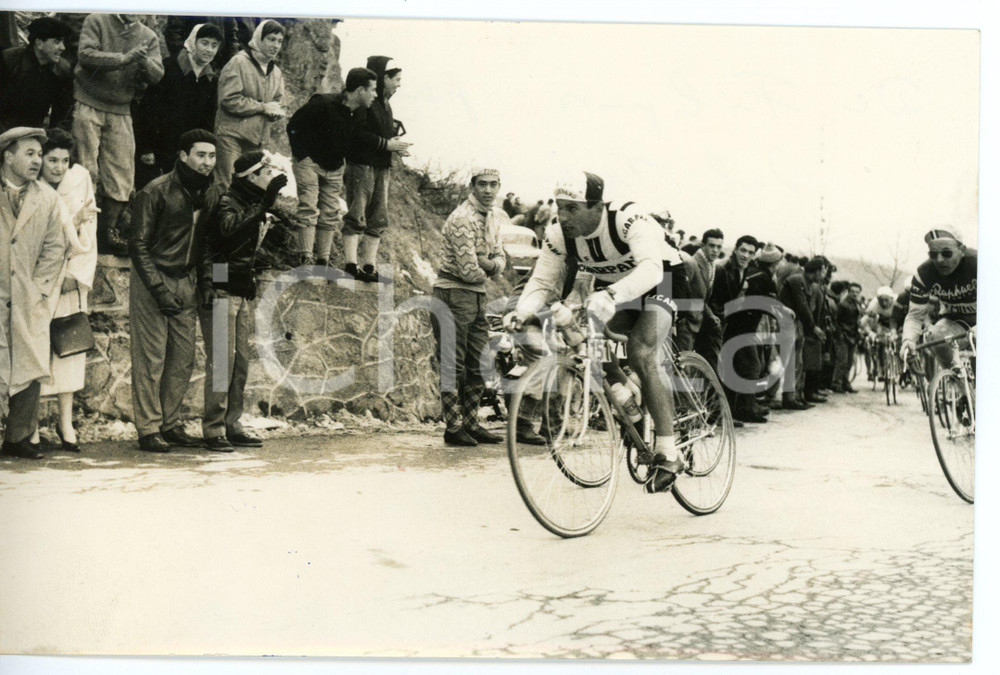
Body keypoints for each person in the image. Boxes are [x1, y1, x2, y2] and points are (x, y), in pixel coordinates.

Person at [511, 171, 688, 492]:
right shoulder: (559, 233)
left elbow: (650, 268)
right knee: (587, 342)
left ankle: (668, 451)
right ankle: (630, 407)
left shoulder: (627, 220)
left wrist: (610, 296)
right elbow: (541, 281)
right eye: (560, 207)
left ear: (597, 207)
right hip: (617, 288)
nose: (563, 217)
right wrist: (520, 312)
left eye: (572, 209)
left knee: (641, 350)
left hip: (663, 278)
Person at [129, 129, 221, 453]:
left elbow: (206, 244)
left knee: (183, 359)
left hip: (186, 281)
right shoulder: (156, 190)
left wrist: (207, 283)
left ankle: (171, 423)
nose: (207, 162)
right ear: (183, 155)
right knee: (150, 357)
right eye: (200, 155)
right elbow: (137, 244)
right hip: (152, 277)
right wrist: (157, 289)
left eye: (212, 156)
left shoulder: (209, 193)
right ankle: (149, 428)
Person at [200, 150, 287, 451]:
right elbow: (227, 233)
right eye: (265, 174)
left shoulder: (250, 203)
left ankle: (231, 422)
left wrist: (271, 216)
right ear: (250, 176)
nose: (270, 179)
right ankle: (213, 428)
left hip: (240, 288)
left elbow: (261, 247)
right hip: (222, 286)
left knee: (240, 364)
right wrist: (263, 206)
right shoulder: (228, 202)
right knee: (222, 363)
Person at [287, 67, 409, 268]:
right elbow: (293, 125)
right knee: (309, 207)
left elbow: (356, 138)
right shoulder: (323, 103)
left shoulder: (361, 112)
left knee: (330, 212)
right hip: (309, 163)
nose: (375, 94)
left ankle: (322, 260)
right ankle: (305, 257)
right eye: (372, 90)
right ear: (360, 90)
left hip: (334, 166)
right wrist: (302, 157)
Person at [24, 129, 98, 452]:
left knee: (69, 350)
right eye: (51, 160)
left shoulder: (80, 179)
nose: (58, 167)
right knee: (36, 351)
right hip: (39, 282)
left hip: (69, 279)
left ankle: (65, 421)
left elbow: (89, 228)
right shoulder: (30, 187)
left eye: (64, 161)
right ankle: (32, 424)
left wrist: (76, 274)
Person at [72, 12, 164, 256]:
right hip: (88, 102)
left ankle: (108, 231)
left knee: (122, 171)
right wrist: (123, 58)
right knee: (85, 168)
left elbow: (158, 74)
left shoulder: (148, 35)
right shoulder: (97, 20)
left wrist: (144, 64)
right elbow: (86, 55)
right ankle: (81, 227)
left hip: (121, 109)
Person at [0, 127, 67, 460]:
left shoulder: (48, 198)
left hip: (28, 294)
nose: (37, 161)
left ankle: (19, 437)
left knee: (29, 364)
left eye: (39, 155)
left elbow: (56, 248)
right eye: (30, 153)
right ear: (8, 155)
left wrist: (39, 289)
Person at [431, 167, 508, 447]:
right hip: (453, 293)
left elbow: (500, 258)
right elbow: (467, 271)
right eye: (482, 184)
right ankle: (453, 426)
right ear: (472, 187)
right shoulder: (463, 218)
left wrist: (487, 263)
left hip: (476, 296)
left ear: (499, 187)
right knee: (453, 363)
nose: (488, 190)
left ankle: (472, 423)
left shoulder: (492, 218)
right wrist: (491, 267)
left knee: (479, 363)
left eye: (493, 185)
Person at [342, 55, 407, 283]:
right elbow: (356, 133)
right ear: (383, 78)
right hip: (361, 164)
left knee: (378, 216)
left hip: (381, 166)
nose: (399, 85)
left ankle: (369, 266)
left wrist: (394, 146)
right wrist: (386, 144)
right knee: (357, 212)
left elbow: (382, 134)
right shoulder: (367, 102)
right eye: (396, 79)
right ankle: (351, 264)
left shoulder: (386, 105)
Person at [134, 23, 223, 181]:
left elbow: (207, 121)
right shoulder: (168, 67)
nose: (209, 50)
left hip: (186, 150)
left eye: (214, 45)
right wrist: (146, 148)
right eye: (204, 43)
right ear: (193, 43)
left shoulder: (211, 79)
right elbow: (148, 110)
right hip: (157, 145)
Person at [214, 20, 286, 185]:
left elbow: (279, 101)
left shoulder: (276, 72)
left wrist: (276, 111)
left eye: (279, 41)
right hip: (231, 137)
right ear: (259, 39)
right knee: (226, 185)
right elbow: (228, 99)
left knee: (249, 187)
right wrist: (262, 107)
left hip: (256, 142)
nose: (275, 45)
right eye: (271, 39)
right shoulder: (239, 62)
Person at [900, 229, 977, 370]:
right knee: (935, 337)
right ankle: (959, 384)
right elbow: (915, 316)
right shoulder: (923, 274)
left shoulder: (978, 263)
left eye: (947, 253)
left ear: (962, 250)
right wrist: (908, 340)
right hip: (955, 319)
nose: (940, 260)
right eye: (933, 254)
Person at [0, 17, 73, 132]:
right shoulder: (8, 60)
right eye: (57, 41)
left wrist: (51, 137)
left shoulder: (63, 70)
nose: (63, 48)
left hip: (34, 132)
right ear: (39, 43)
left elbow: (62, 114)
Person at [777, 257, 828, 408]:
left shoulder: (808, 283)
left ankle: (796, 396)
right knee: (791, 361)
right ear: (818, 270)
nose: (824, 274)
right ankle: (789, 398)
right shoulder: (796, 280)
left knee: (798, 362)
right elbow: (802, 306)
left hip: (797, 324)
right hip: (787, 323)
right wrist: (813, 327)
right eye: (824, 270)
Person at [677, 228, 723, 369]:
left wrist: (710, 315)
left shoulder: (711, 266)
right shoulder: (692, 263)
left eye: (719, 247)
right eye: (711, 245)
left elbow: (701, 297)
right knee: (683, 365)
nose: (715, 250)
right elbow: (681, 293)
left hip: (697, 322)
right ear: (703, 245)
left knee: (689, 364)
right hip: (686, 324)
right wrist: (683, 319)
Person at [861, 285, 898, 381]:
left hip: (897, 324)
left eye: (886, 300)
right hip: (882, 324)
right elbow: (863, 322)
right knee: (880, 343)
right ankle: (879, 369)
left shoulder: (897, 302)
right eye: (881, 301)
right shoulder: (873, 305)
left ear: (891, 298)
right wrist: (870, 333)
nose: (884, 303)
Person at [831, 281, 862, 393]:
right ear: (848, 292)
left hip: (853, 335)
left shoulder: (857, 304)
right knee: (842, 360)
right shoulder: (843, 304)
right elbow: (835, 320)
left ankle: (845, 382)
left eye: (857, 292)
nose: (854, 294)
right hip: (843, 335)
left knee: (849, 361)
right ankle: (836, 383)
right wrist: (839, 333)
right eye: (852, 291)